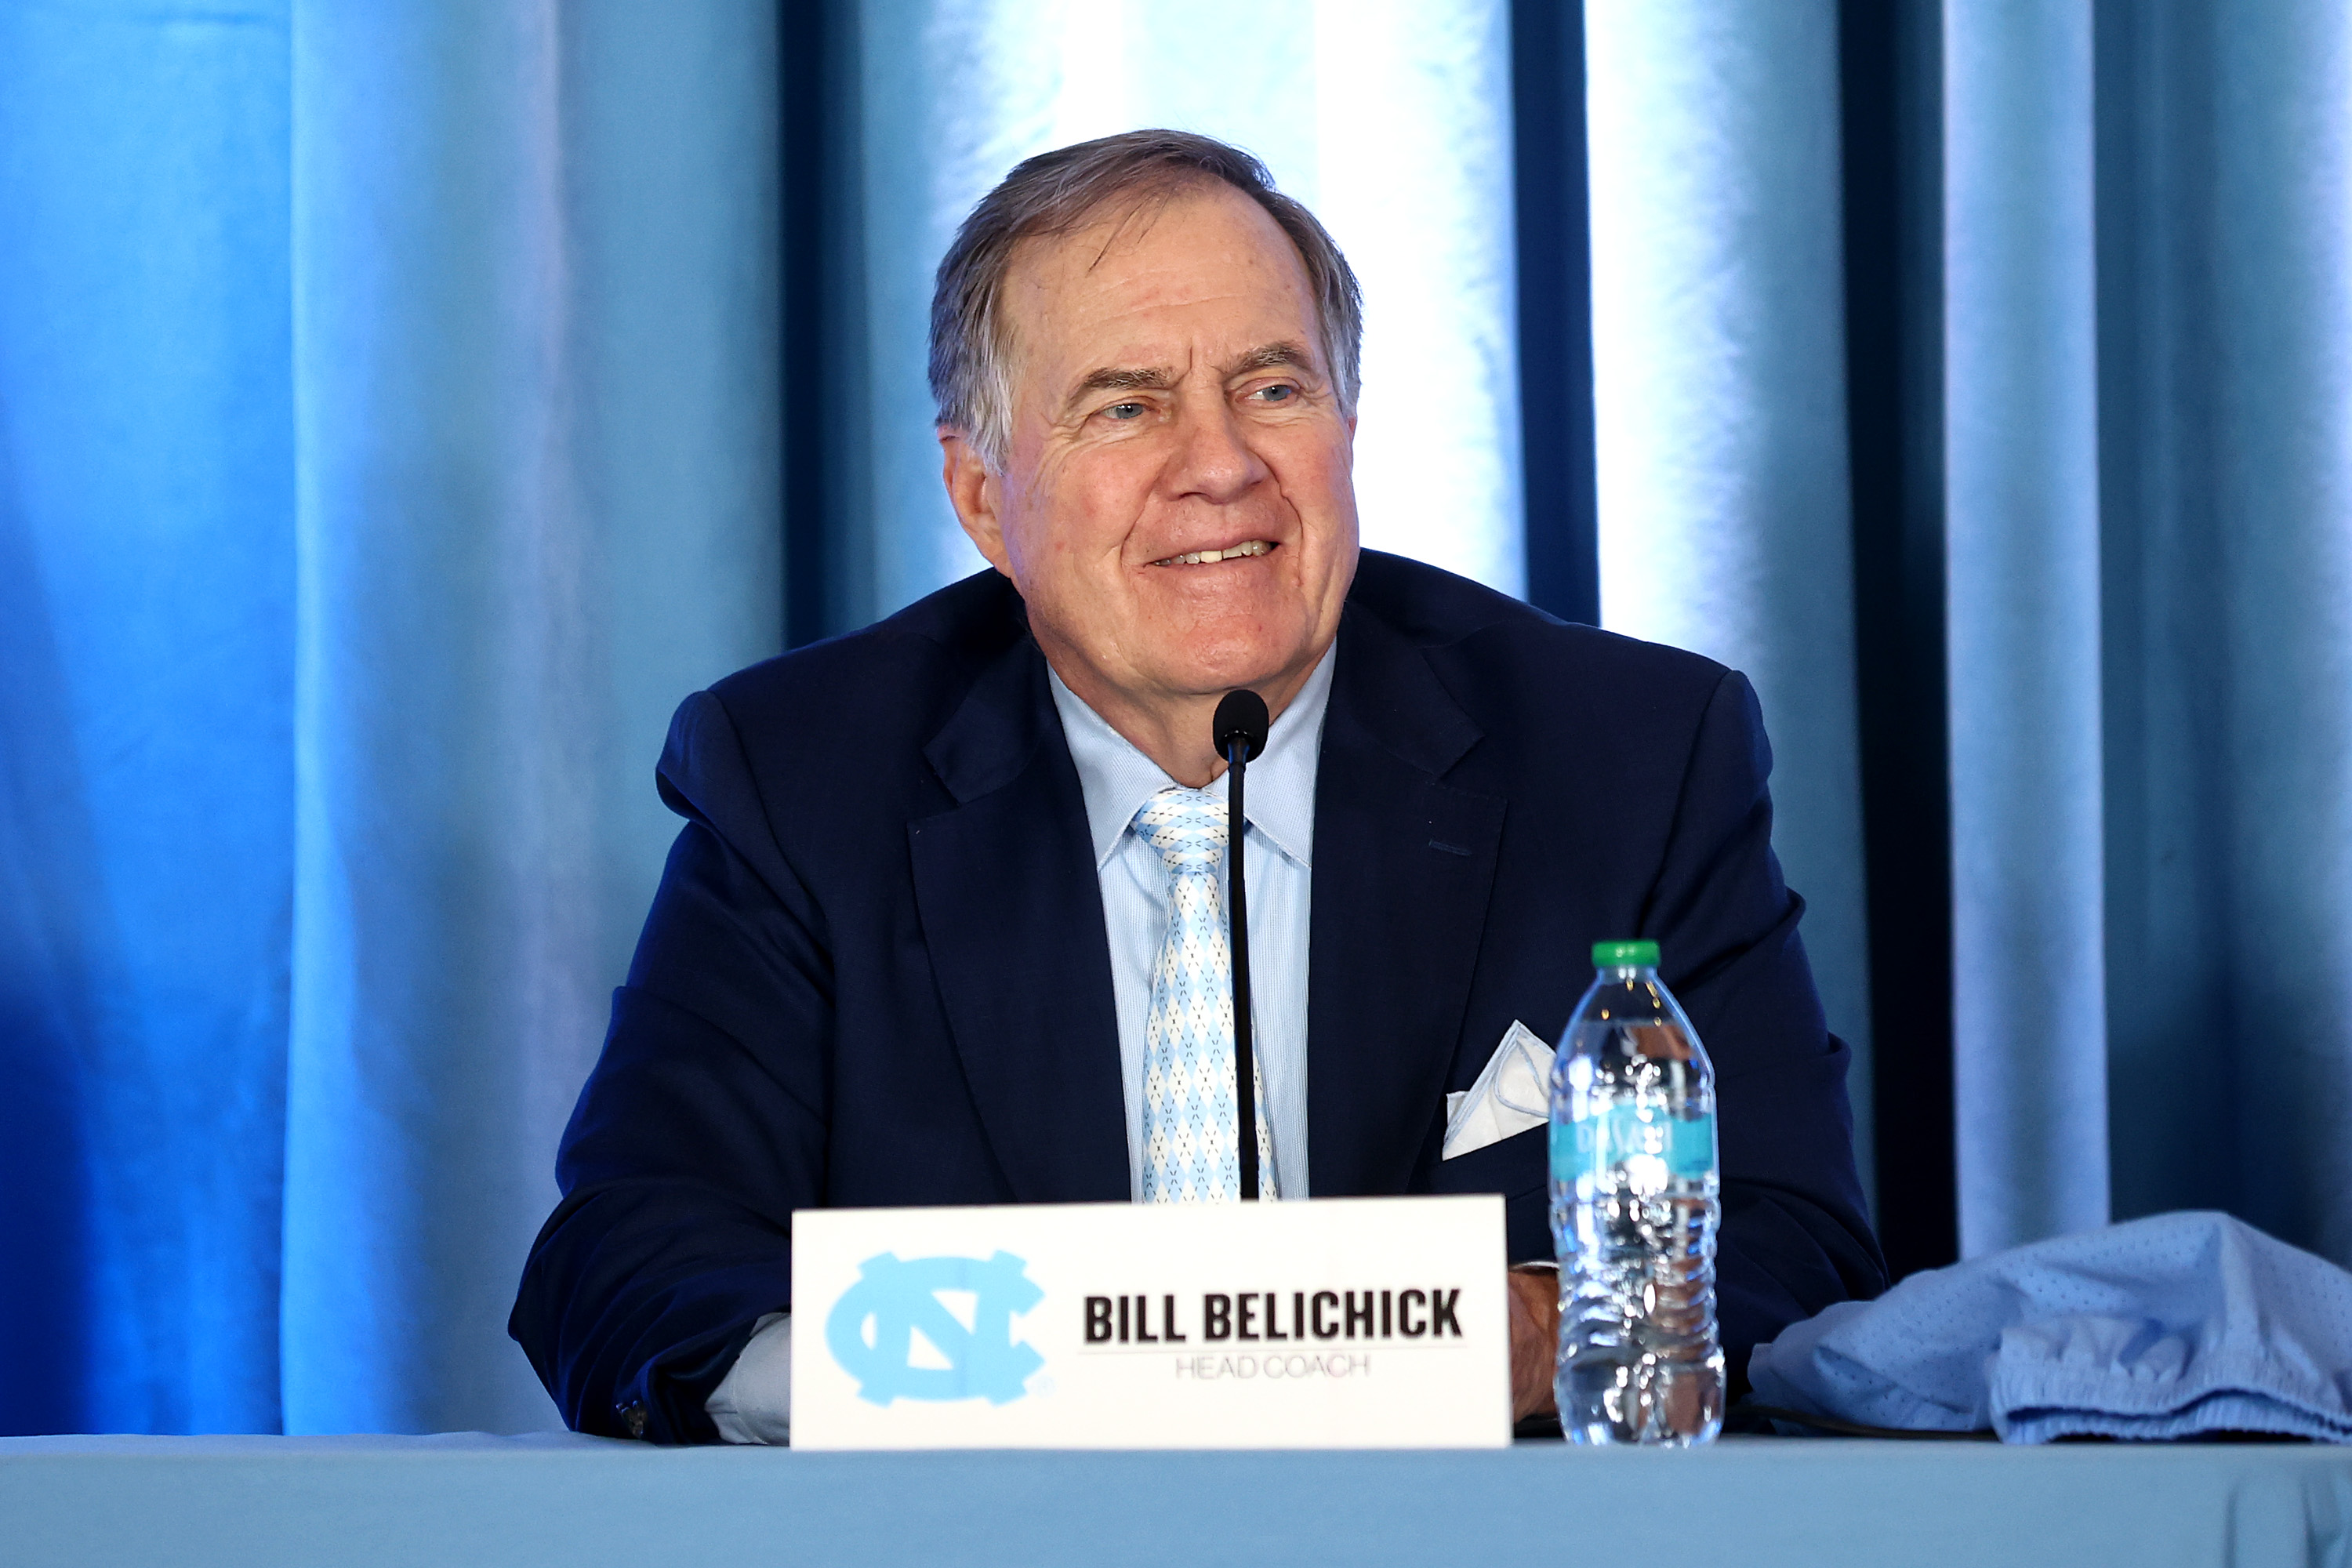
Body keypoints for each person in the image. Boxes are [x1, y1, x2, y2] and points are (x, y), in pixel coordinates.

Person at [510, 129, 1885, 1443]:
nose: (1220, 467)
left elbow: (1791, 1242)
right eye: (1127, 406)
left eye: (1274, 387)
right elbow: (630, 1255)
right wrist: (958, 1381)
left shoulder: (1631, 755)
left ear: (1347, 427)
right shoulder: (807, 780)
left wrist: (1528, 1333)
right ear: (984, 495)